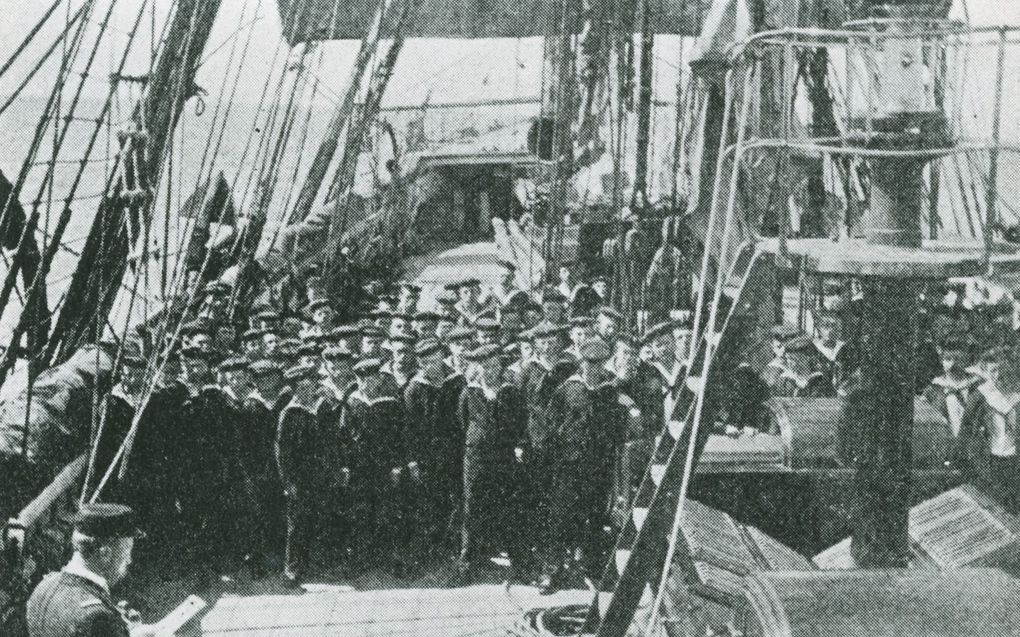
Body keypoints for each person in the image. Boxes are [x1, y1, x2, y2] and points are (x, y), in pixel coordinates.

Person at [540, 338, 616, 592]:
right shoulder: (568, 388)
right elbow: (550, 421)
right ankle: (552, 569)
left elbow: (616, 427)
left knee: (595, 516)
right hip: (569, 464)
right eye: (589, 363)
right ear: (581, 362)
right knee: (559, 515)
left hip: (598, 465)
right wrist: (558, 448)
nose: (593, 368)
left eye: (599, 363)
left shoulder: (609, 391)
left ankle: (593, 567)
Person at [457, 343, 528, 581]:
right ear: (478, 368)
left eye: (493, 366)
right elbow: (463, 421)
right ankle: (467, 561)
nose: (489, 371)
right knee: (472, 506)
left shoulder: (510, 392)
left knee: (508, 505)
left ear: (500, 367)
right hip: (476, 458)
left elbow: (520, 422)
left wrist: (516, 445)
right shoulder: (470, 392)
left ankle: (518, 560)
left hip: (503, 456)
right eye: (484, 366)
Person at [26, 503, 149, 637]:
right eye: (126, 551)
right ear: (105, 554)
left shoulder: (43, 588)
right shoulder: (96, 617)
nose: (129, 560)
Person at [342, 358, 409, 575]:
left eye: (371, 379)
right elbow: (344, 437)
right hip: (360, 468)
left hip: (385, 466)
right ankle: (360, 558)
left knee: (389, 511)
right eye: (362, 379)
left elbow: (400, 436)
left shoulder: (390, 403)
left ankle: (394, 558)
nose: (366, 384)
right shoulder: (351, 403)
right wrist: (346, 466)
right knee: (360, 512)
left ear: (379, 379)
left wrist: (398, 465)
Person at [404, 338, 460, 549]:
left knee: (456, 501)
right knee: (429, 502)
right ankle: (430, 550)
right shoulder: (415, 389)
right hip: (427, 455)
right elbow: (409, 429)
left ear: (442, 358)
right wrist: (412, 461)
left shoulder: (456, 382)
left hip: (454, 451)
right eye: (425, 362)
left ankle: (454, 549)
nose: (430, 367)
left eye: (434, 361)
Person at [277, 362, 324, 585]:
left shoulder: (319, 407)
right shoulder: (289, 413)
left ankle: (311, 563)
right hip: (299, 477)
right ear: (295, 389)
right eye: (302, 387)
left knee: (315, 518)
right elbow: (283, 452)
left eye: (311, 385)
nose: (308, 390)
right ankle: (292, 568)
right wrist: (288, 482)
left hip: (319, 474)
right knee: (296, 523)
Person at [961, 347, 1020, 514]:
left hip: (1014, 460)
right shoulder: (979, 397)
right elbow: (965, 431)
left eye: (1001, 369)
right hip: (989, 460)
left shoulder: (1016, 395)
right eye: (993, 370)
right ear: (985, 372)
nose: (998, 375)